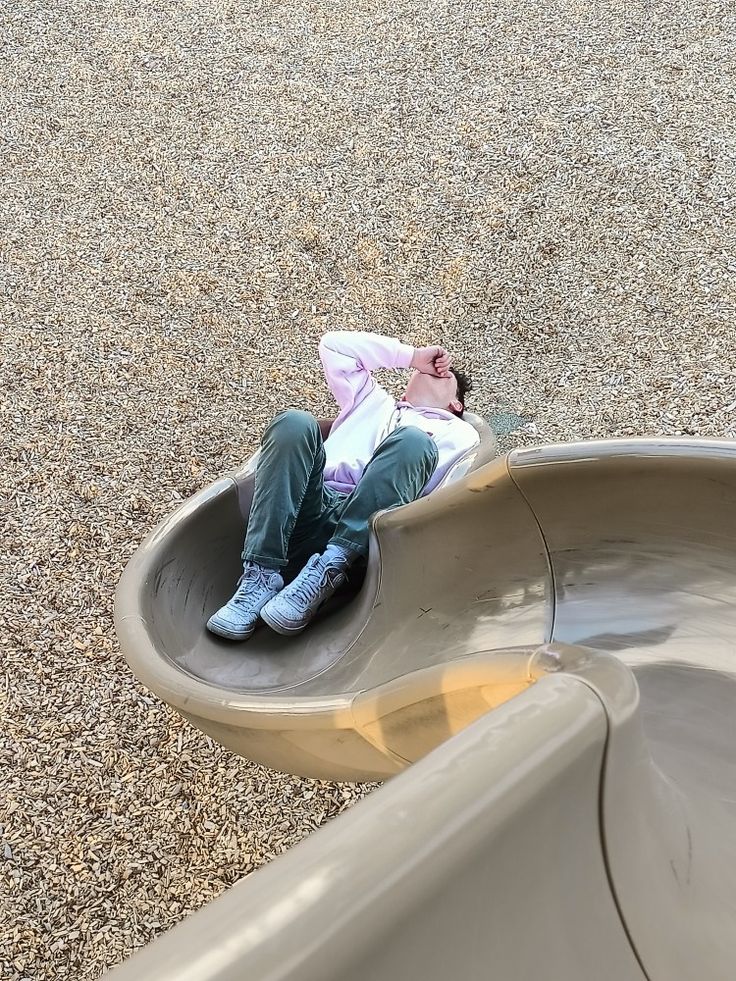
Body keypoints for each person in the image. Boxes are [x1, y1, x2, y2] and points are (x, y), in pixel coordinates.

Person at [206, 330, 479, 640]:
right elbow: (334, 346)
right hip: (307, 511)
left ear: (456, 403)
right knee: (293, 422)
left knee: (413, 442)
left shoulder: (460, 433)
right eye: (424, 370)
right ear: (404, 392)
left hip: (367, 538)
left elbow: (439, 498)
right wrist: (412, 356)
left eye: (446, 376)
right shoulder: (370, 402)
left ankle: (326, 572)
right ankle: (260, 576)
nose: (435, 371)